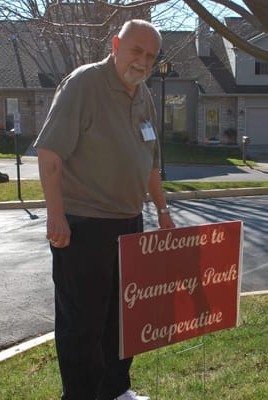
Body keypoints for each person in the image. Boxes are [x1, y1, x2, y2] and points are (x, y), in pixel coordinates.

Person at [34, 19, 175, 400]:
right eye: (136, 50)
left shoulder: (143, 96)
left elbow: (149, 164)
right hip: (84, 226)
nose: (142, 61)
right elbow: (49, 153)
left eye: (150, 55)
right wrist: (55, 214)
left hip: (130, 224)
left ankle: (116, 390)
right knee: (83, 324)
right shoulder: (85, 84)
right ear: (116, 44)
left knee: (122, 319)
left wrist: (162, 211)